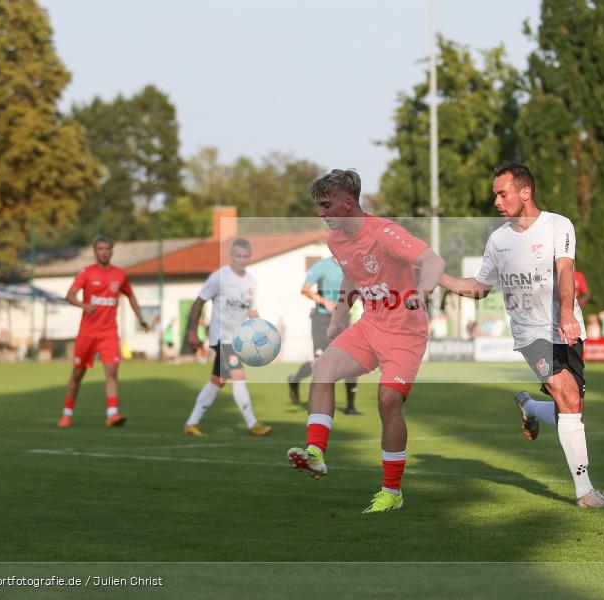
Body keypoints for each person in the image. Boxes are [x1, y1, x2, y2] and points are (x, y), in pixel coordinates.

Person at [439, 162, 604, 509]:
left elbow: (566, 271)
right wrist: (439, 279)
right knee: (567, 396)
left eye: (502, 194)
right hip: (529, 333)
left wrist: (566, 313)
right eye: (495, 195)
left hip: (567, 326)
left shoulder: (557, 225)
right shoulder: (498, 240)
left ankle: (530, 407)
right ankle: (586, 493)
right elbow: (479, 288)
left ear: (525, 192)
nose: (496, 202)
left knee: (574, 409)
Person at [286, 168, 445, 514]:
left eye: (326, 205)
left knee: (388, 400)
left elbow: (433, 260)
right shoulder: (336, 240)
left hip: (405, 331)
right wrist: (338, 320)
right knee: (324, 367)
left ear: (347, 203)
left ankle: (392, 492)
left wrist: (423, 291)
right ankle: (315, 453)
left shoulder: (385, 232)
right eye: (318, 206)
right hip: (371, 324)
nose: (321, 213)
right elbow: (351, 275)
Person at [182, 239, 272, 437]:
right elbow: (198, 303)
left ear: (250, 257)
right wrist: (192, 331)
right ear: (231, 256)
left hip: (239, 340)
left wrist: (260, 335)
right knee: (238, 375)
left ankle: (191, 423)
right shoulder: (219, 277)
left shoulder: (251, 281)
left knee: (218, 380)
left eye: (245, 256)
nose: (242, 260)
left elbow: (252, 311)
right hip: (222, 337)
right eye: (238, 256)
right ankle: (252, 423)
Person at [58, 236, 148, 428]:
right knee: (77, 374)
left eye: (107, 248)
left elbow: (130, 295)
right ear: (95, 251)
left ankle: (112, 414)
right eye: (100, 248)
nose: (104, 252)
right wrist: (83, 305)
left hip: (109, 333)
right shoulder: (86, 273)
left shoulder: (120, 275)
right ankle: (67, 414)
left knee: (111, 371)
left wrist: (140, 317)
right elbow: (69, 295)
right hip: (87, 333)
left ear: (112, 251)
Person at [287, 256, 359, 415]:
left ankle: (350, 406)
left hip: (343, 319)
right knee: (319, 362)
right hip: (322, 320)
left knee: (352, 359)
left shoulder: (352, 265)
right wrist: (323, 300)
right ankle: (296, 381)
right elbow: (304, 289)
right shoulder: (322, 266)